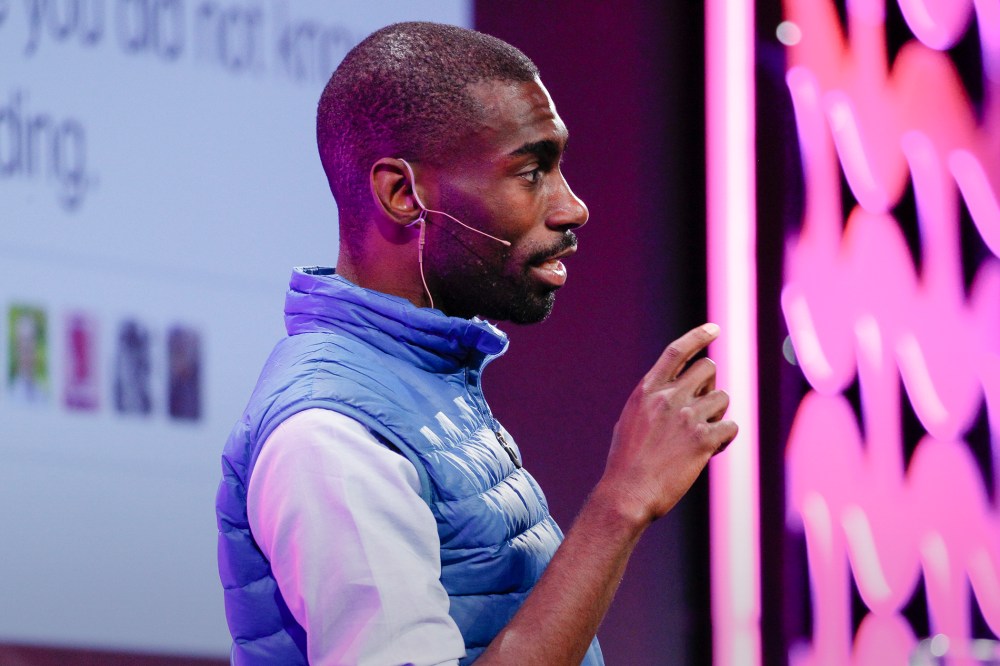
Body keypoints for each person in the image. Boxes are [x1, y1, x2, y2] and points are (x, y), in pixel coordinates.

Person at [216, 21, 737, 666]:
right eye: (531, 172)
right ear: (403, 194)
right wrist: (621, 502)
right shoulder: (329, 437)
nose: (572, 207)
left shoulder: (420, 383)